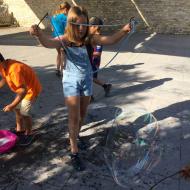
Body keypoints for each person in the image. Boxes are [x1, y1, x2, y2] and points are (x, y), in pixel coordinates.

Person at [29, 6, 131, 171]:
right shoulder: (65, 39)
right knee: (74, 116)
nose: (81, 27)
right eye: (77, 24)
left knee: (83, 114)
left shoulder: (89, 39)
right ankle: (74, 151)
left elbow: (111, 40)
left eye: (84, 24)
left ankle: (76, 135)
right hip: (71, 81)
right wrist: (39, 34)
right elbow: (49, 43)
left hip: (87, 80)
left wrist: (124, 30)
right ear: (70, 23)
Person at [0, 53, 42, 146]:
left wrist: (11, 105)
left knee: (24, 113)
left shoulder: (14, 70)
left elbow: (23, 91)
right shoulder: (4, 65)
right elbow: (4, 78)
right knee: (17, 109)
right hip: (22, 89)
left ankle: (29, 133)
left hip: (30, 90)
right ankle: (20, 129)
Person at [89, 16, 112, 99]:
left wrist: (87, 53)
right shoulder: (91, 36)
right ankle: (105, 87)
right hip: (90, 61)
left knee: (90, 78)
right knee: (90, 78)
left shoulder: (99, 39)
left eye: (90, 26)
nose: (88, 28)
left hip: (94, 62)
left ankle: (105, 87)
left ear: (96, 27)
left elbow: (98, 53)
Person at [51, 2, 71, 77]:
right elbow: (67, 29)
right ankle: (63, 71)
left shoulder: (54, 16)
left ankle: (57, 69)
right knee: (63, 54)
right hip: (62, 37)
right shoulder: (65, 17)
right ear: (66, 9)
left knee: (59, 53)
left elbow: (52, 28)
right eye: (69, 11)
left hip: (55, 37)